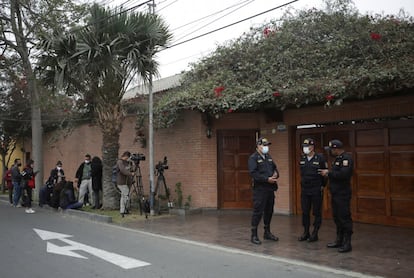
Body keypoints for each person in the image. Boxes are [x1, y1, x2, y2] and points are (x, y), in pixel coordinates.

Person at [319, 139, 354, 253]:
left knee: (344, 217)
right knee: (337, 217)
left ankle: (347, 243)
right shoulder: (337, 159)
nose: (330, 152)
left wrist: (329, 173)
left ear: (336, 149)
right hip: (335, 193)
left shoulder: (346, 159)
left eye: (331, 150)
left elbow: (344, 174)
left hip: (342, 194)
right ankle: (339, 240)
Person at [248, 137, 280, 245]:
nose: (266, 147)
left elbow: (275, 168)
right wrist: (266, 179)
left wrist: (276, 174)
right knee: (258, 212)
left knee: (269, 211)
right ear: (258, 146)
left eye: (267, 145)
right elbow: (253, 173)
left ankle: (267, 232)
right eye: (264, 145)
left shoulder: (268, 157)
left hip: (270, 189)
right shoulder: (253, 158)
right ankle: (254, 234)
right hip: (260, 190)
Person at [298, 138, 328, 242]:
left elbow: (324, 174)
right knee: (305, 211)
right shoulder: (302, 158)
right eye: (304, 147)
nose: (306, 148)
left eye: (308, 146)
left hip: (316, 189)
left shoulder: (320, 158)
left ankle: (315, 232)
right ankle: (306, 232)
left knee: (316, 212)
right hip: (305, 189)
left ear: (312, 147)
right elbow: (302, 173)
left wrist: (322, 185)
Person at [116, 151, 134, 217]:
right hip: (121, 182)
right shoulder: (120, 162)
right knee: (124, 195)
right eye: (128, 157)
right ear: (126, 156)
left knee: (125, 196)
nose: (129, 159)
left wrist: (133, 165)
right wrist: (130, 173)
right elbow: (123, 170)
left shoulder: (128, 162)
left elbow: (131, 169)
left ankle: (125, 210)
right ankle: (122, 211)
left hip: (127, 182)